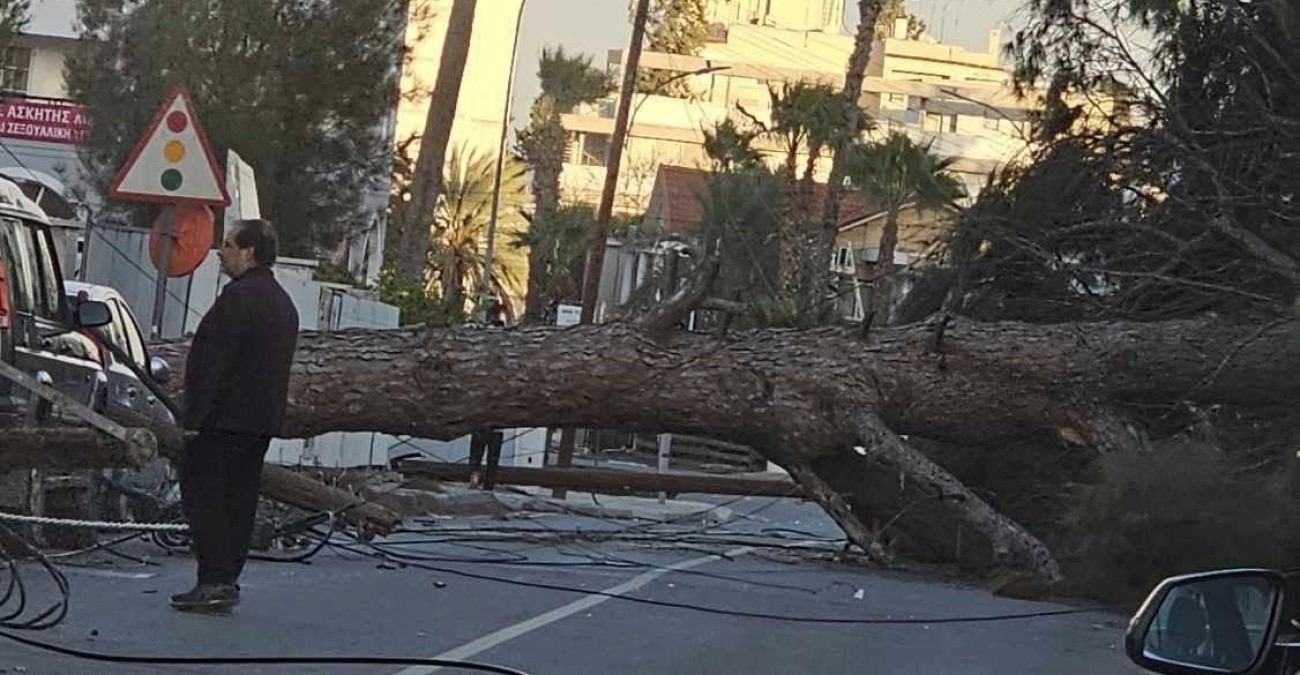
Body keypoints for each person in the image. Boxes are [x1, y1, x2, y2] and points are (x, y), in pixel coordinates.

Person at [170, 219, 299, 613]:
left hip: (223, 420)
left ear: (249, 251)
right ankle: (226, 578)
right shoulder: (280, 302)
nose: (221, 253)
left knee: (204, 494)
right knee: (239, 499)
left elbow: (215, 363)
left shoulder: (240, 299)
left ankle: (214, 577)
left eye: (228, 245)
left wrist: (195, 417)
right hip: (258, 422)